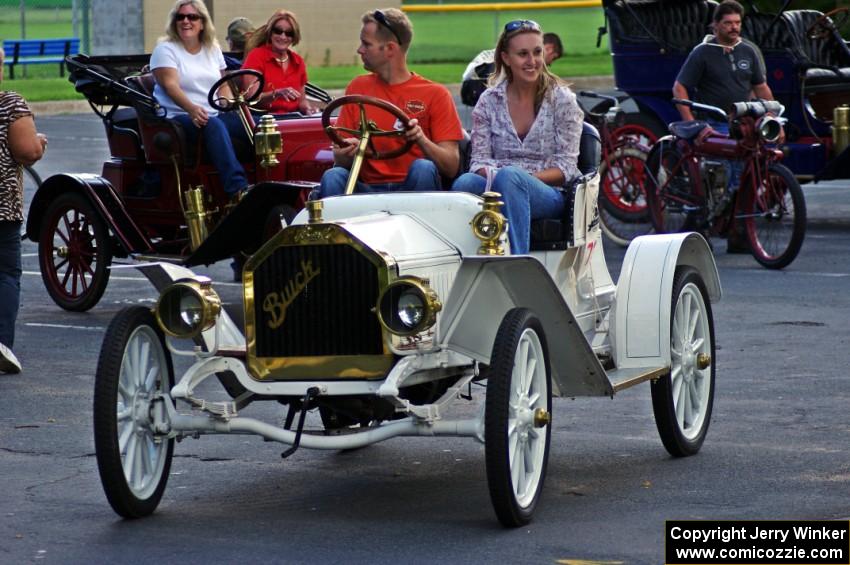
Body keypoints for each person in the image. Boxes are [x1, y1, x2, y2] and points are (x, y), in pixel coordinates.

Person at [451, 20, 583, 255]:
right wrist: (504, 179)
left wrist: (520, 179)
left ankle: (517, 265)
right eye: (523, 54)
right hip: (498, 183)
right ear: (506, 58)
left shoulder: (562, 100)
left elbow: (566, 168)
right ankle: (462, 266)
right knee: (464, 184)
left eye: (537, 52)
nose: (532, 62)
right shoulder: (488, 101)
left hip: (548, 192)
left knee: (511, 178)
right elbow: (478, 161)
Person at [317, 8, 463, 197]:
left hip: (413, 189)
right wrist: (344, 153)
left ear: (390, 49)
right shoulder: (357, 88)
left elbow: (451, 167)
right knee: (333, 176)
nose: (359, 50)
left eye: (366, 44)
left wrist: (420, 139)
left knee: (423, 168)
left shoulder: (435, 94)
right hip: (367, 190)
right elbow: (341, 160)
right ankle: (333, 227)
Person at [672, 0, 781, 251]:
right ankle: (708, 218)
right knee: (727, 168)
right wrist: (691, 124)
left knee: (758, 160)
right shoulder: (702, 52)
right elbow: (680, 87)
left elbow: (760, 87)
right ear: (715, 24)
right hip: (713, 120)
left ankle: (738, 227)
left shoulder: (749, 51)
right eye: (728, 23)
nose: (734, 28)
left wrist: (773, 117)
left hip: (743, 119)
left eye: (737, 23)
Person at [150, 0, 248, 198]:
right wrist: (192, 109)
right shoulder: (165, 50)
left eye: (192, 17)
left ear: (202, 23)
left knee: (256, 124)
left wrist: (225, 103)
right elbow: (171, 86)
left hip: (212, 113)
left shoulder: (212, 48)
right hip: (177, 117)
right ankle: (238, 189)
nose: (186, 21)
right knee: (214, 125)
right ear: (174, 21)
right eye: (181, 17)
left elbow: (224, 84)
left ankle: (268, 180)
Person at [0, 46, 47, 374]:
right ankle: (1, 343)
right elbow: (27, 152)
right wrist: (39, 142)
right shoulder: (9, 104)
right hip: (2, 207)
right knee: (5, 273)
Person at [461, 32, 563, 107]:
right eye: (553, 58)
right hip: (478, 86)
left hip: (472, 86)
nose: (549, 64)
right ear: (549, 48)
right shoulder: (519, 56)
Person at [242, 10, 311, 115]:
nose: (283, 37)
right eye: (278, 31)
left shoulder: (298, 62)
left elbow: (301, 101)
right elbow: (251, 98)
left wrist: (307, 108)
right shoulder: (256, 56)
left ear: (294, 37)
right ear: (270, 33)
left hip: (293, 118)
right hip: (265, 119)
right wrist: (277, 93)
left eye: (289, 33)